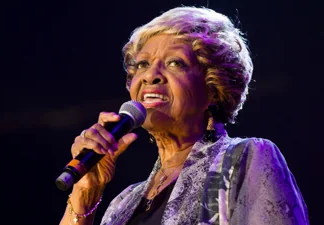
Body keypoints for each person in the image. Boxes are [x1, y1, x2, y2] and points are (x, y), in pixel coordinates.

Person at [59, 6, 309, 225]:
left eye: (175, 63)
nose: (149, 76)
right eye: (143, 64)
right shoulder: (122, 204)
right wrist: (85, 192)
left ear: (213, 88)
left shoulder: (245, 160)